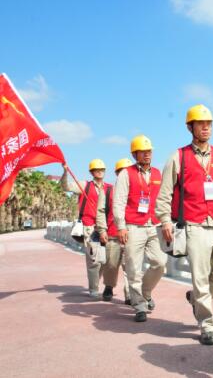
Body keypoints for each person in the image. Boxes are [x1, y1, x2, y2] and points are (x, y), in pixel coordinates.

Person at [155, 104, 213, 345]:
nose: (206, 127)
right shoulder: (178, 157)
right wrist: (164, 219)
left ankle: (196, 298)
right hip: (193, 225)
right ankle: (207, 324)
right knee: (200, 275)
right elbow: (164, 194)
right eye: (201, 123)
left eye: (209, 124)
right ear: (190, 127)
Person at [113, 135, 168, 322]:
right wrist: (121, 226)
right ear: (135, 154)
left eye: (149, 151)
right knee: (134, 269)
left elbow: (163, 199)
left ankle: (145, 292)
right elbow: (119, 202)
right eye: (143, 152)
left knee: (160, 263)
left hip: (154, 226)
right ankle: (139, 305)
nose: (147, 154)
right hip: (133, 226)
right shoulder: (125, 174)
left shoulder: (158, 174)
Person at [61, 159, 111, 298]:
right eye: (96, 169)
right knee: (94, 260)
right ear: (92, 172)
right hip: (89, 228)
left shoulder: (109, 188)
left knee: (105, 260)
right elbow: (65, 187)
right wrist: (65, 171)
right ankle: (94, 289)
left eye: (102, 169)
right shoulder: (83, 185)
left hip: (106, 229)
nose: (100, 171)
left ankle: (97, 284)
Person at [95, 158, 133, 304]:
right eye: (121, 171)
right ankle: (109, 286)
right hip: (112, 234)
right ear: (117, 173)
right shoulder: (108, 190)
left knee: (130, 266)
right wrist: (102, 230)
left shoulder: (137, 189)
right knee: (111, 264)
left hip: (131, 234)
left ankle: (130, 294)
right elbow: (100, 211)